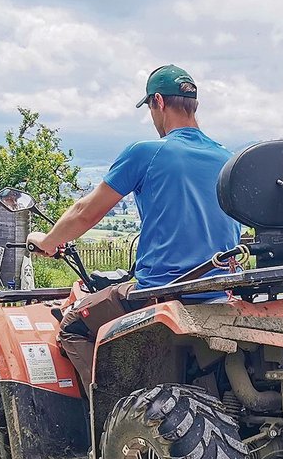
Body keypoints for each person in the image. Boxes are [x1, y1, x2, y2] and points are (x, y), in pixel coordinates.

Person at [27, 64, 241, 391]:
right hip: (219, 292)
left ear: (157, 101)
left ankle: (112, 417)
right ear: (193, 103)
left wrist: (48, 240)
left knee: (73, 326)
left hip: (160, 290)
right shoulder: (226, 158)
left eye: (151, 109)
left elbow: (85, 212)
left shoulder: (146, 153)